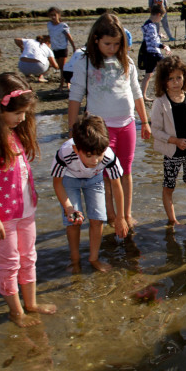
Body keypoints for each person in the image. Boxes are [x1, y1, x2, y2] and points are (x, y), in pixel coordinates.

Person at [0, 72, 56, 327]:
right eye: (18, 114)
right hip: (1, 217)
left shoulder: (14, 132)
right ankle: (16, 312)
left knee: (29, 257)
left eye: (26, 113)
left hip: (25, 211)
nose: (23, 118)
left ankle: (31, 303)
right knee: (10, 262)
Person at [68, 12, 151, 231]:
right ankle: (111, 213)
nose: (112, 48)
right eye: (107, 44)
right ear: (96, 40)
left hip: (127, 125)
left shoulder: (127, 62)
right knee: (105, 173)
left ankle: (126, 213)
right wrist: (72, 129)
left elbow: (136, 93)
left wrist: (145, 121)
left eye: (116, 44)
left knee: (126, 171)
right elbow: (75, 96)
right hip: (100, 129)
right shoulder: (85, 63)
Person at [51, 113, 129, 274]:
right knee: (73, 221)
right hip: (69, 180)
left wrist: (120, 217)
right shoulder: (65, 153)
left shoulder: (108, 156)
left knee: (98, 218)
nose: (95, 160)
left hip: (94, 180)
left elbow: (116, 185)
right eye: (88, 155)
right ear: (76, 149)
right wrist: (68, 207)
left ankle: (93, 258)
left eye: (98, 155)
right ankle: (75, 259)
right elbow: (57, 183)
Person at [150, 57, 186, 225]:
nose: (175, 82)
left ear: (185, 77)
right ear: (163, 81)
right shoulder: (160, 103)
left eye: (179, 78)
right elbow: (155, 131)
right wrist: (174, 140)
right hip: (172, 153)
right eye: (171, 79)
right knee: (169, 185)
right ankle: (172, 220)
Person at [139, 4, 172, 100]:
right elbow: (153, 42)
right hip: (153, 53)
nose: (161, 19)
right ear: (158, 14)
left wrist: (159, 36)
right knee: (167, 69)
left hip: (150, 52)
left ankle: (143, 95)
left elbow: (151, 37)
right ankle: (166, 91)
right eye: (161, 16)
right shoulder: (151, 26)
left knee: (149, 74)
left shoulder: (148, 24)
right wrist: (163, 46)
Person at [47, 7, 77, 91]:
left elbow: (69, 37)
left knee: (63, 68)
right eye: (51, 15)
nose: (53, 17)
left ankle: (63, 85)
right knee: (60, 67)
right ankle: (67, 83)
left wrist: (74, 47)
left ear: (58, 15)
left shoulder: (63, 26)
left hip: (62, 48)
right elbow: (51, 36)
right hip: (55, 48)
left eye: (54, 15)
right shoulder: (49, 25)